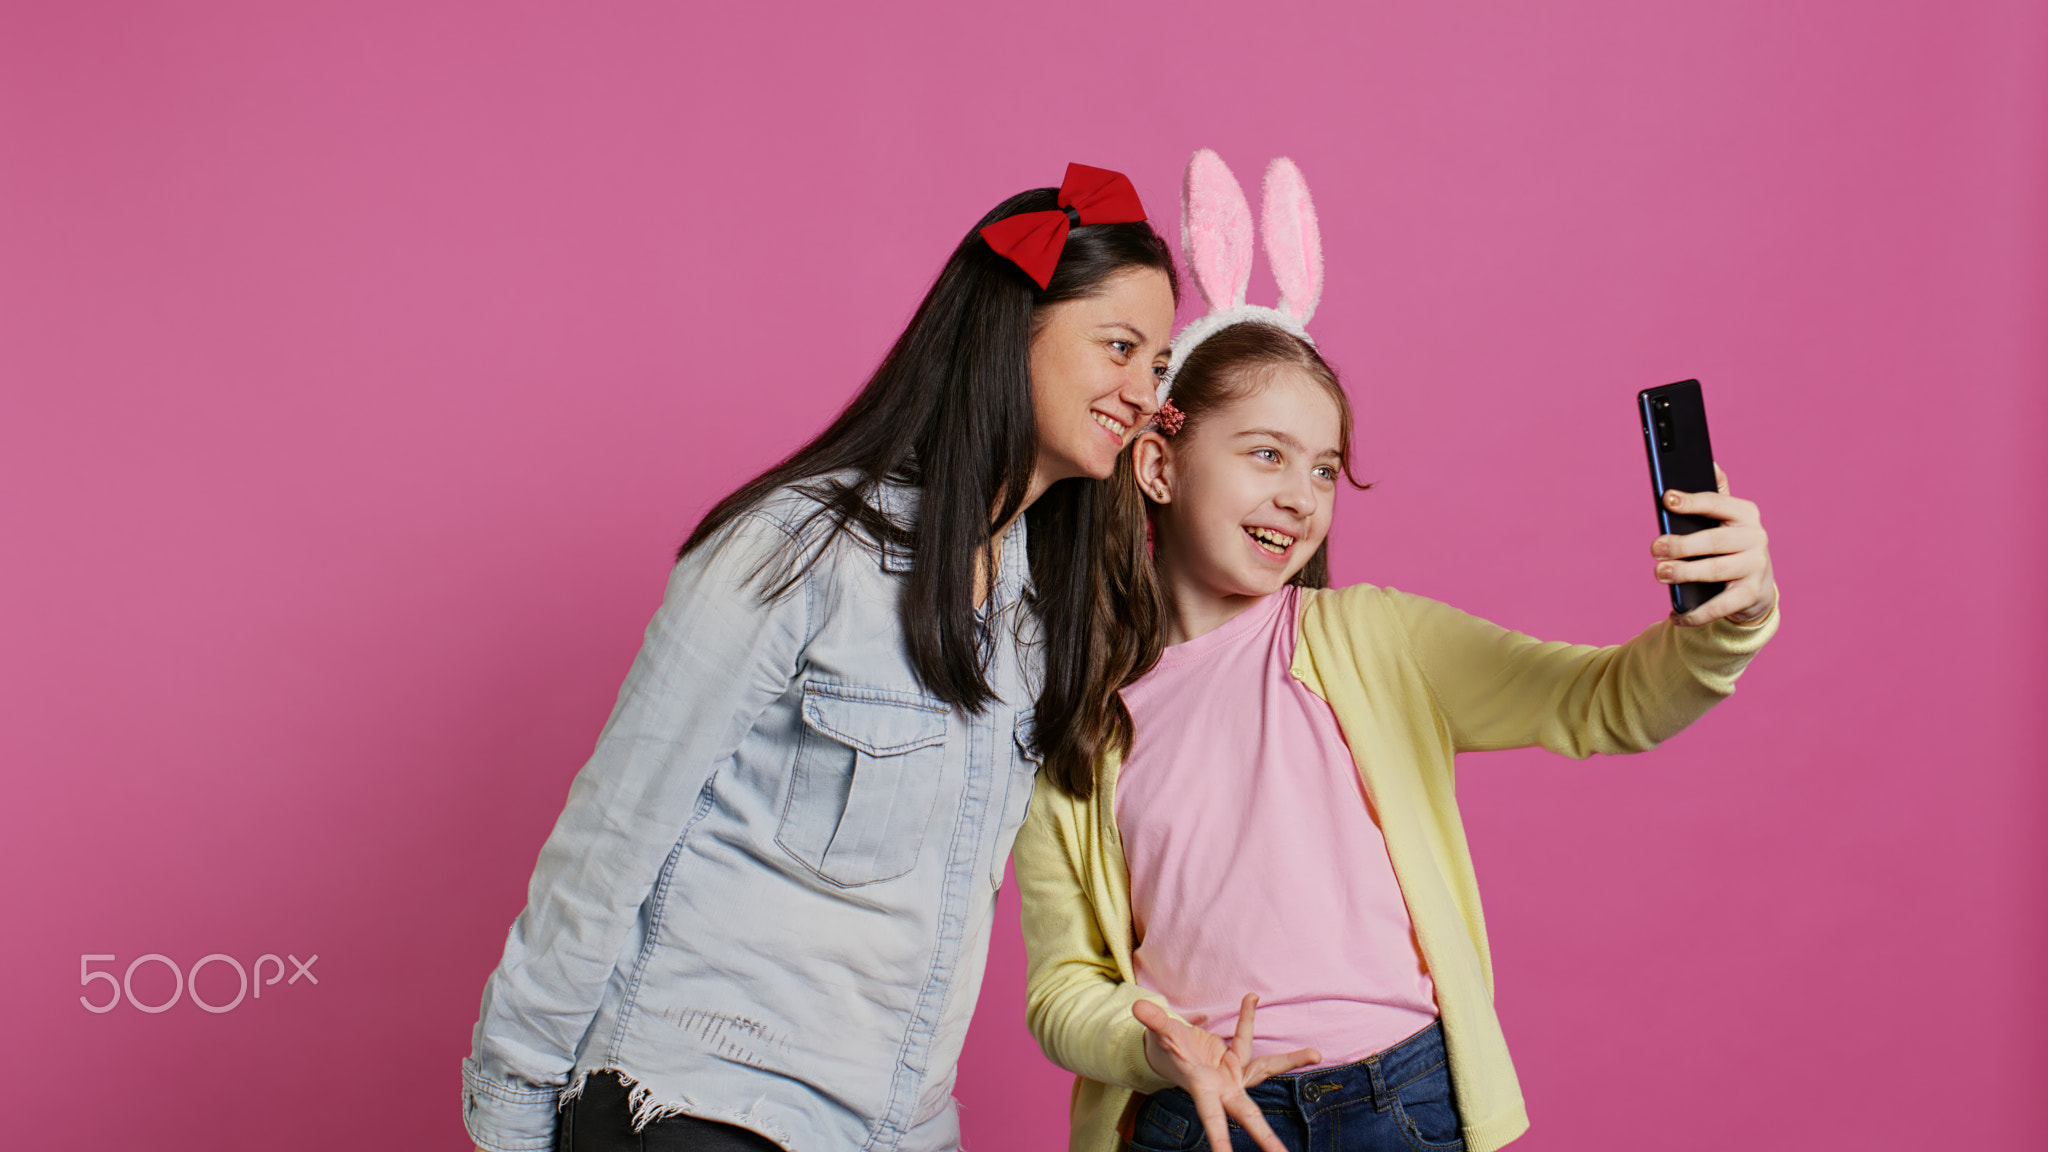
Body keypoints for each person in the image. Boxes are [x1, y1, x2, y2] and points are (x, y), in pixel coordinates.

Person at [1015, 151, 1779, 1152]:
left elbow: (1607, 701)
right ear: (1157, 464)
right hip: (1196, 1118)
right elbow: (1061, 986)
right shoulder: (1069, 711)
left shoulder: (1376, 640)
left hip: (1401, 1102)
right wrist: (1156, 1049)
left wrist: (1726, 620)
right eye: (1262, 455)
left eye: (1323, 468)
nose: (1298, 496)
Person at [463, 163, 1181, 1152]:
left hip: (897, 1126)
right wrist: (512, 1095)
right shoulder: (797, 548)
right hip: (708, 1100)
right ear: (1010, 329)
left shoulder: (1036, 617)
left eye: (1159, 363)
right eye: (1119, 347)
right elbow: (614, 830)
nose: (1144, 389)